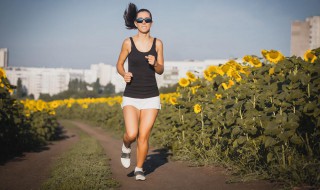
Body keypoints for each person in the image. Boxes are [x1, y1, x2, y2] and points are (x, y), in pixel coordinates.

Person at [116, 3, 164, 181]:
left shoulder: (158, 43)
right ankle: (126, 146)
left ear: (151, 22)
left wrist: (155, 63)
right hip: (131, 95)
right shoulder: (128, 42)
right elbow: (119, 65)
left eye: (147, 20)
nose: (144, 22)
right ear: (135, 23)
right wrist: (124, 74)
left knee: (143, 136)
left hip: (151, 96)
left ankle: (139, 168)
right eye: (140, 20)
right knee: (131, 134)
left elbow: (161, 70)